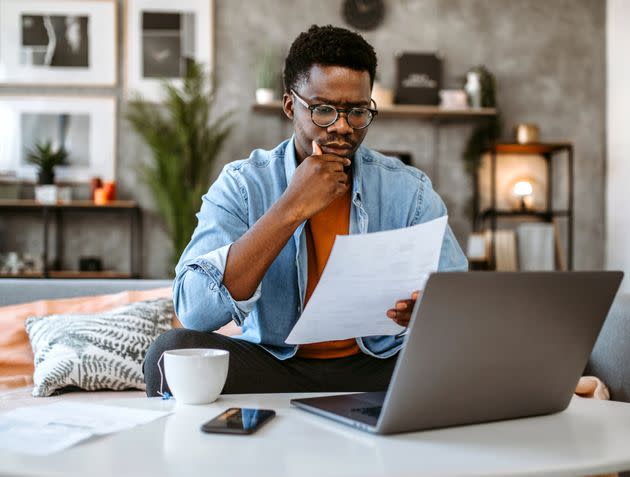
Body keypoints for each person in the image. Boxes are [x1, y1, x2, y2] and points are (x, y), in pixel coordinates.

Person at [143, 24, 467, 396]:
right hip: (276, 363)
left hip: (377, 365)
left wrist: (425, 311)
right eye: (324, 110)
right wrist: (290, 208)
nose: (342, 127)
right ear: (289, 105)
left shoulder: (409, 190)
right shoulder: (243, 185)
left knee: (476, 354)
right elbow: (194, 311)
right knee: (169, 355)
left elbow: (457, 301)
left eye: (358, 112)